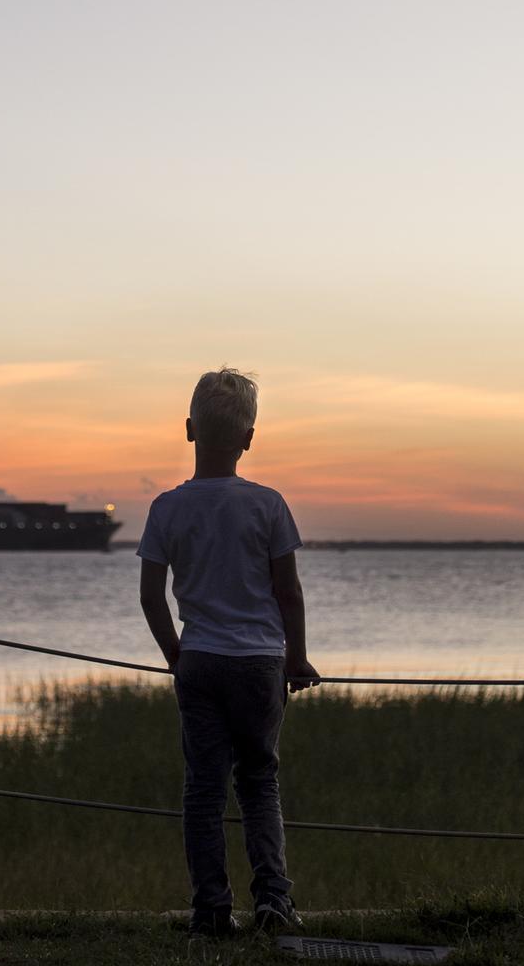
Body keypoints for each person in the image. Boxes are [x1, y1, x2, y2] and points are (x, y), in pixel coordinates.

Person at [137, 366, 320, 939]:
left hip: (201, 661)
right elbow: (287, 592)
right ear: (249, 437)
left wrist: (176, 655)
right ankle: (273, 901)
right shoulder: (268, 505)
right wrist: (298, 657)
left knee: (203, 791)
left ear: (189, 429)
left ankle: (211, 910)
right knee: (260, 782)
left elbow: (151, 595)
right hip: (261, 663)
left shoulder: (167, 508)